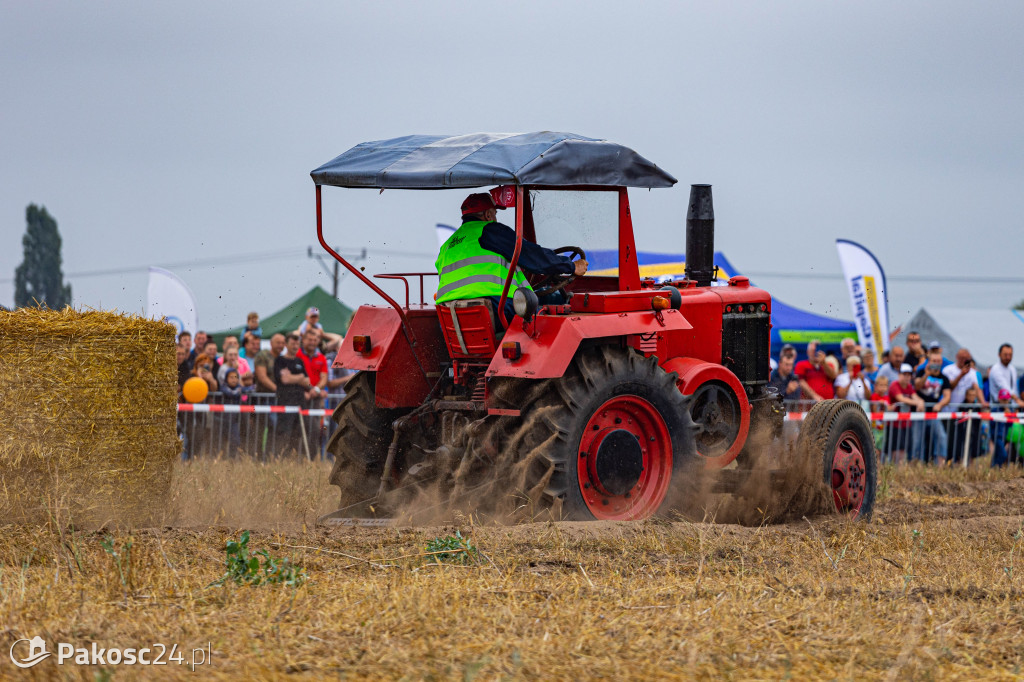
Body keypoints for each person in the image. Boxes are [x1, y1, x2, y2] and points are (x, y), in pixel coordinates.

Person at [435, 192, 588, 324]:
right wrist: (571, 266)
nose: (495, 217)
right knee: (554, 310)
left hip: (450, 315)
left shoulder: (447, 245)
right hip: (494, 308)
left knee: (543, 298)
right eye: (495, 213)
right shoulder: (491, 231)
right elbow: (531, 255)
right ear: (488, 215)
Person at [274, 332, 311, 455]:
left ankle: (294, 459)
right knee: (284, 432)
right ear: (286, 344)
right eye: (292, 343)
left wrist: (293, 377)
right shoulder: (280, 360)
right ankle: (280, 458)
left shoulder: (300, 361)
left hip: (300, 402)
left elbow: (307, 381)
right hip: (285, 402)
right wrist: (299, 377)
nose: (295, 346)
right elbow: (285, 379)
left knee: (299, 432)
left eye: (297, 343)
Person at [913, 348, 952, 464]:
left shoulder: (944, 378)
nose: (936, 363)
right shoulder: (921, 372)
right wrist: (926, 375)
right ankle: (916, 465)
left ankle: (940, 464)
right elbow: (917, 387)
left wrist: (940, 404)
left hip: (933, 414)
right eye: (933, 361)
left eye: (938, 361)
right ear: (929, 361)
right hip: (920, 414)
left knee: (941, 437)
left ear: (941, 362)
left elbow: (947, 396)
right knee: (917, 441)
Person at [989, 343, 1023, 467]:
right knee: (998, 438)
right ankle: (999, 462)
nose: (1008, 357)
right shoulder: (996, 370)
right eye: (1005, 354)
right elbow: (1006, 388)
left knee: (1004, 439)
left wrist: (1016, 404)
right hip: (998, 408)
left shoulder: (1012, 369)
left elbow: (1013, 389)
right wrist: (1018, 401)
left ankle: (994, 467)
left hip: (1010, 409)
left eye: (1010, 355)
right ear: (999, 355)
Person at [888, 363, 924, 466]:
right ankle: (895, 468)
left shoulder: (909, 386)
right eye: (905, 374)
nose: (907, 377)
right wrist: (918, 402)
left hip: (905, 424)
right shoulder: (894, 385)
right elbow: (901, 398)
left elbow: (915, 396)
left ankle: (900, 468)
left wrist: (920, 402)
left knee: (904, 448)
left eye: (909, 375)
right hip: (894, 424)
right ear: (899, 375)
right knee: (896, 448)